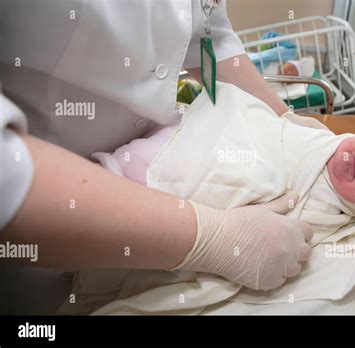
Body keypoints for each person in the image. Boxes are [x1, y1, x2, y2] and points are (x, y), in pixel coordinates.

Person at [0, 0, 325, 313]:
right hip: (45, 225)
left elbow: (208, 39)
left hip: (155, 190)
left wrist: (284, 120)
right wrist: (213, 238)